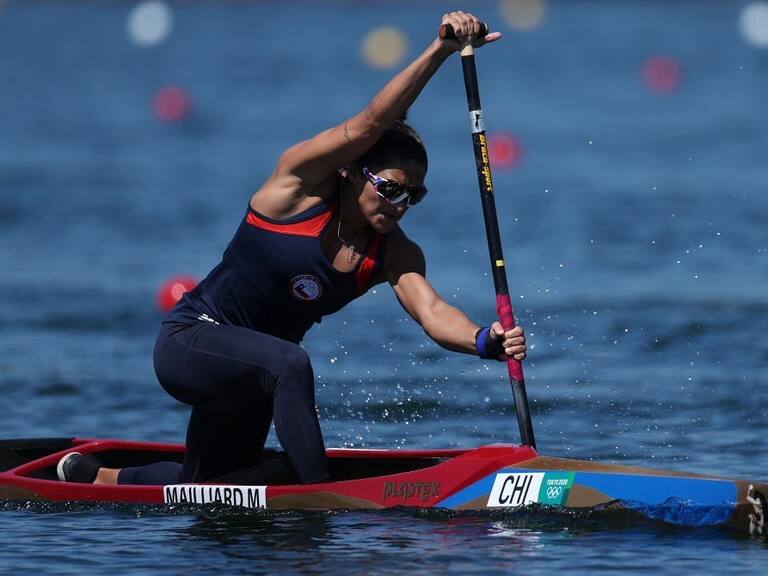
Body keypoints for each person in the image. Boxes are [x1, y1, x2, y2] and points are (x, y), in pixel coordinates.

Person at [56, 10, 526, 486]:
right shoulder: (294, 190)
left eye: (413, 196)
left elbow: (434, 313)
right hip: (190, 342)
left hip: (255, 376)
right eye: (390, 189)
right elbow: (369, 124)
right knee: (291, 362)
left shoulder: (394, 253)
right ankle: (319, 497)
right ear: (352, 171)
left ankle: (96, 478)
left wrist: (487, 341)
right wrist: (440, 51)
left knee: (209, 486)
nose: (401, 205)